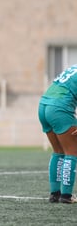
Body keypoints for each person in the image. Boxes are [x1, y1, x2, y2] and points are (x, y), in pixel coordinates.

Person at [38, 64, 77, 204]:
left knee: (58, 151)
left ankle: (55, 194)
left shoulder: (74, 67)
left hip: (43, 106)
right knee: (72, 152)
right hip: (59, 108)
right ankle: (66, 196)